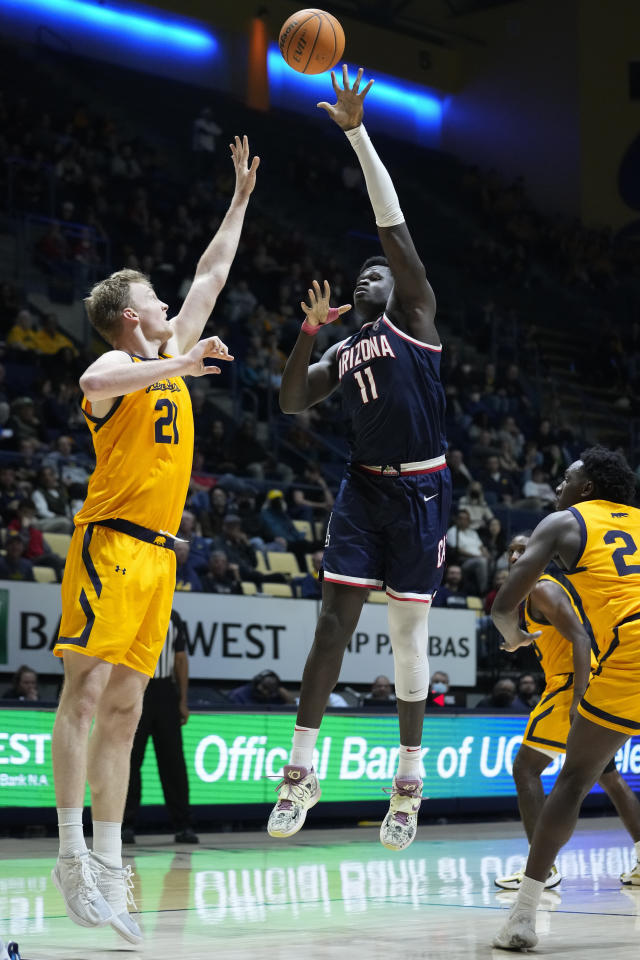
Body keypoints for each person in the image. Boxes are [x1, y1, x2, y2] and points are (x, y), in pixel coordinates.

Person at [49, 135, 258, 944]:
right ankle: (69, 856)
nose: (174, 309)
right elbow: (93, 384)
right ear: (132, 317)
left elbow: (210, 273)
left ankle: (109, 862)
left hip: (162, 554)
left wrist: (238, 199)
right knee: (87, 694)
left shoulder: (170, 351)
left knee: (132, 705)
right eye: (157, 305)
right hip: (110, 542)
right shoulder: (121, 364)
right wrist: (180, 366)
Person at [267, 66, 452, 852]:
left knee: (407, 642)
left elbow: (393, 229)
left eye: (372, 271)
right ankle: (299, 772)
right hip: (362, 491)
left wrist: (356, 131)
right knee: (331, 630)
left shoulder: (414, 315)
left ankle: (407, 782)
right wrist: (309, 334)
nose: (365, 273)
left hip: (423, 493)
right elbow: (290, 402)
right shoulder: (344, 347)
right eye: (361, 274)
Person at [491, 447, 640, 950]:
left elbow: (503, 605)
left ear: (588, 490)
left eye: (567, 478)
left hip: (630, 652)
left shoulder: (564, 522)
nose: (559, 484)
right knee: (597, 776)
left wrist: (511, 635)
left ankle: (524, 914)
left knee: (574, 780)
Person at [122, 610, 198, 845]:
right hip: (133, 688)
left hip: (164, 691)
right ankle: (124, 824)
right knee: (130, 761)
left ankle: (183, 825)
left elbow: (181, 658)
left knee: (173, 762)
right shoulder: (128, 609)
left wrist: (182, 700)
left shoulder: (172, 616)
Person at [228, 670, 296, 706]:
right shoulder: (239, 695)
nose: (266, 692)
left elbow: (293, 705)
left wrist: (281, 690)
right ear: (257, 683)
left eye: (270, 690)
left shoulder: (275, 696)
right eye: (264, 687)